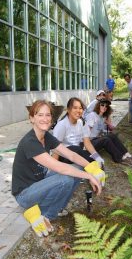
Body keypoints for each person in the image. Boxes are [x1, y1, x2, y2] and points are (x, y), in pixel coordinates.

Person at [11, 100, 105, 237]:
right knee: (65, 178)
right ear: (31, 118)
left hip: (38, 185)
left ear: (52, 118)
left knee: (77, 167)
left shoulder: (46, 136)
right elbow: (59, 167)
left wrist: (91, 167)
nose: (45, 119)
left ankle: (57, 208)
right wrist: (89, 176)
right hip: (25, 194)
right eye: (40, 115)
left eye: (48, 115)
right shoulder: (30, 142)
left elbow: (71, 155)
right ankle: (44, 215)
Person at [52, 97, 105, 168]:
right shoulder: (62, 125)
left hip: (77, 152)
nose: (78, 110)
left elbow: (87, 142)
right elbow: (55, 148)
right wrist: (54, 167)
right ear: (68, 110)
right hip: (64, 156)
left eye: (80, 108)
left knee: (94, 158)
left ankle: (95, 169)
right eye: (75, 108)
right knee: (75, 149)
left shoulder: (82, 123)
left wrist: (97, 157)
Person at [85, 99, 132, 165]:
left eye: (106, 106)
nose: (104, 107)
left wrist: (108, 123)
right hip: (87, 143)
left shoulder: (102, 117)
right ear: (98, 106)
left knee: (111, 135)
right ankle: (119, 158)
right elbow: (86, 133)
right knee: (106, 140)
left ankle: (126, 153)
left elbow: (110, 128)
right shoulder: (92, 115)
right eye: (102, 105)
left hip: (95, 139)